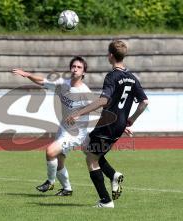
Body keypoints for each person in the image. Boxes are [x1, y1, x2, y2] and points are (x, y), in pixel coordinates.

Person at [66, 40, 149, 208]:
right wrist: (130, 120)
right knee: (88, 146)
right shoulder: (132, 78)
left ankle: (105, 200)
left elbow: (104, 100)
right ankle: (113, 175)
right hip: (116, 124)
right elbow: (144, 102)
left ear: (110, 55)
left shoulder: (112, 76)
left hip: (109, 125)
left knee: (91, 159)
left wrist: (78, 113)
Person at [12, 56, 92, 196]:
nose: (75, 69)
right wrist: (28, 75)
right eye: (73, 66)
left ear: (84, 72)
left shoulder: (85, 92)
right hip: (63, 129)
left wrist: (123, 124)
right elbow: (43, 81)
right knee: (59, 161)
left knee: (50, 151)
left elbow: (98, 108)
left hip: (76, 133)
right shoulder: (63, 84)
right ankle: (67, 189)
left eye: (79, 67)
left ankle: (50, 181)